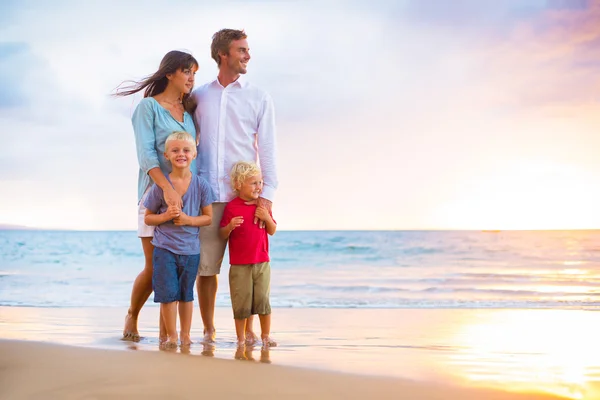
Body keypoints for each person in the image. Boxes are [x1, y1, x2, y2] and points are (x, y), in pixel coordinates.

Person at [191, 29, 278, 344]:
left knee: (249, 270)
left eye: (248, 49)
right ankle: (209, 329)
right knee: (206, 269)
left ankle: (250, 330)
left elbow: (267, 150)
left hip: (246, 199)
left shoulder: (258, 97)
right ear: (223, 54)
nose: (248, 55)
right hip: (208, 196)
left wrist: (266, 198)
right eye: (241, 50)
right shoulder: (199, 95)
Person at [115, 50, 198, 341]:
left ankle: (169, 335)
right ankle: (132, 315)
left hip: (186, 198)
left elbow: (192, 154)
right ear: (169, 73)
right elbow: (146, 154)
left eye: (194, 73)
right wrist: (167, 189)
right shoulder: (148, 108)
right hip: (155, 195)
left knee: (178, 267)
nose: (191, 78)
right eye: (187, 71)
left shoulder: (189, 112)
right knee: (155, 268)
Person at [144, 131, 215, 347]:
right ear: (166, 155)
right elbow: (148, 218)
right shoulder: (161, 186)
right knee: (167, 295)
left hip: (191, 251)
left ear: (194, 154)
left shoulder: (201, 185)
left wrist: (186, 220)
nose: (180, 154)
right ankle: (171, 336)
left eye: (186, 150)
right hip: (164, 249)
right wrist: (165, 216)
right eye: (175, 150)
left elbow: (208, 218)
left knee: (186, 295)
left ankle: (185, 335)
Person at [219, 162, 277, 348]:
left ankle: (266, 336)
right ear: (237, 184)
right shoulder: (231, 208)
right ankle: (241, 339)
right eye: (253, 183)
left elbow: (272, 230)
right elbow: (221, 234)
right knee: (241, 302)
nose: (259, 187)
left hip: (262, 262)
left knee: (262, 301)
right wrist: (229, 227)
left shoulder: (262, 206)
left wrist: (266, 217)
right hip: (239, 265)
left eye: (260, 182)